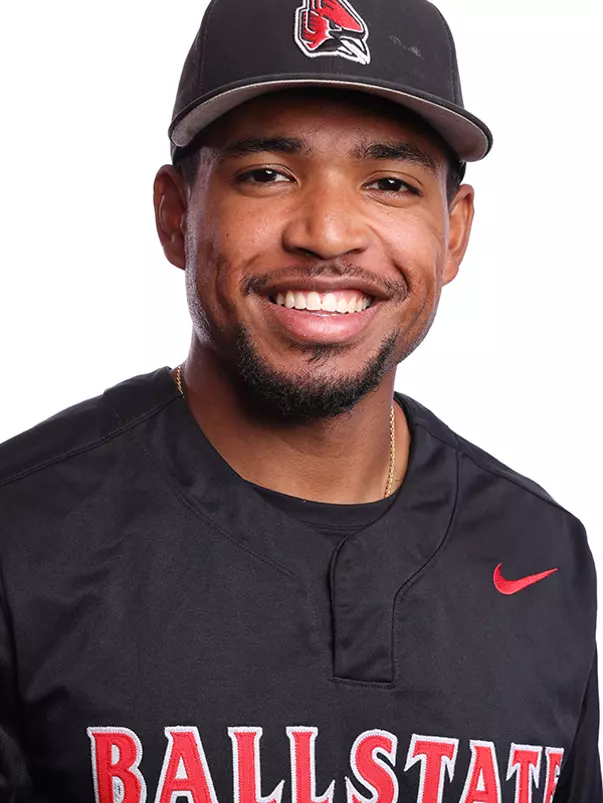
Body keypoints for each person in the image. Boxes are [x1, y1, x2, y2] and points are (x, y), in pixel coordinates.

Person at [0, 0, 599, 800]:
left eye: (387, 181)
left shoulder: (542, 553)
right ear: (176, 214)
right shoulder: (21, 533)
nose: (325, 232)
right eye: (267, 175)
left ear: (452, 234)